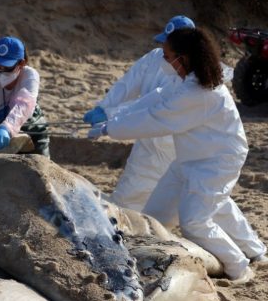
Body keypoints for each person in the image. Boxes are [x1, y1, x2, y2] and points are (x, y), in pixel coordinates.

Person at [87, 27, 268, 283]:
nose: (163, 60)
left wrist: (111, 128)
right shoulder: (187, 80)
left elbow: (157, 118)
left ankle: (239, 268)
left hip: (217, 163)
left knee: (194, 222)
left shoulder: (199, 94)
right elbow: (156, 99)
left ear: (183, 58)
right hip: (188, 159)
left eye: (167, 55)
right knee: (154, 221)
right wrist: (111, 116)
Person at [83, 15, 195, 211]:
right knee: (127, 200)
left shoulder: (188, 76)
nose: (164, 49)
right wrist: (104, 107)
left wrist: (110, 117)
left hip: (170, 144)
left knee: (169, 206)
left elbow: (153, 107)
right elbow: (128, 85)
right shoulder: (154, 57)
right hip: (146, 139)